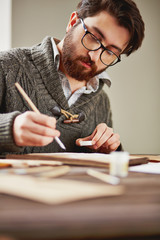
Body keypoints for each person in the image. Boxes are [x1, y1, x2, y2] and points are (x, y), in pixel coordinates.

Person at [0, 0, 144, 155]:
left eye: (110, 52)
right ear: (73, 22)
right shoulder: (7, 66)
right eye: (94, 38)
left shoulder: (101, 103)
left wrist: (107, 150)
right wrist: (8, 129)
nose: (94, 56)